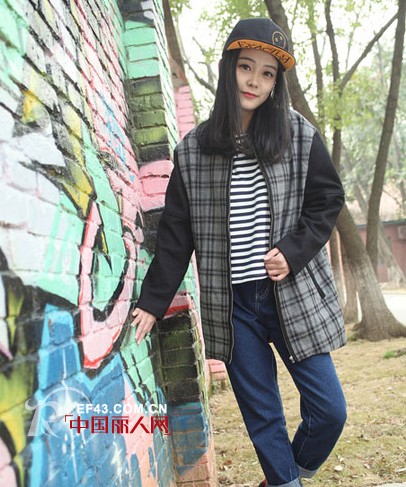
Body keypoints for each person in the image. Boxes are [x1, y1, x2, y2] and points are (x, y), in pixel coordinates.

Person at [131, 17, 347, 487]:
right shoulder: (193, 151)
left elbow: (328, 199)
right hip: (234, 308)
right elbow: (176, 235)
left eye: (267, 73)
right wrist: (152, 300)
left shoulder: (298, 135)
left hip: (290, 296)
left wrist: (293, 251)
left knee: (330, 410)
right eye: (246, 66)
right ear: (229, 68)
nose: (254, 81)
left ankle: (285, 478)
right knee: (263, 417)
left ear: (276, 84)